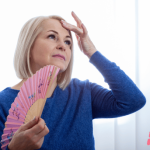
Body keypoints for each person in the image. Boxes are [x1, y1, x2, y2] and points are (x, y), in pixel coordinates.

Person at [0, 11, 146, 150]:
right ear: (29, 45)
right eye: (52, 36)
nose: (63, 46)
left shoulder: (83, 92)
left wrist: (92, 52)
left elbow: (133, 100)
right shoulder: (3, 103)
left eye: (68, 42)